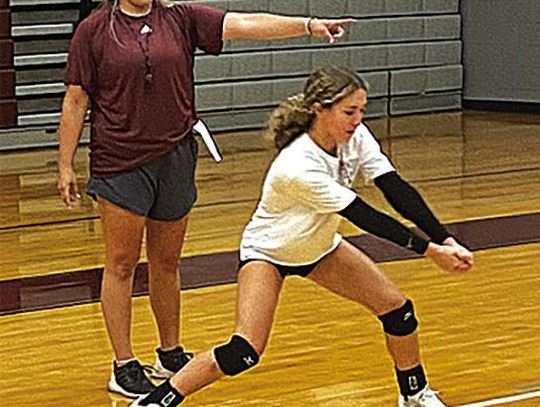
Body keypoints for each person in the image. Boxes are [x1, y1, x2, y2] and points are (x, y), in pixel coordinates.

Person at [57, 0, 354, 399]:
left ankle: (169, 352)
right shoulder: (93, 31)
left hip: (175, 156)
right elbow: (76, 100)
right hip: (120, 161)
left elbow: (246, 24)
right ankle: (124, 363)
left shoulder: (181, 18)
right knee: (122, 264)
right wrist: (65, 165)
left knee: (167, 262)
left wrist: (308, 25)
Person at [129, 66, 474, 407]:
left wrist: (444, 239)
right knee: (244, 351)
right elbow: (364, 216)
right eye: (349, 111)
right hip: (269, 253)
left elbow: (394, 188)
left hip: (320, 249)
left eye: (361, 111)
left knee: (398, 312)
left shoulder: (356, 138)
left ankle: (414, 395)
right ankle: (155, 401)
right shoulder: (297, 166)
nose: (357, 120)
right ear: (319, 110)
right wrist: (428, 251)